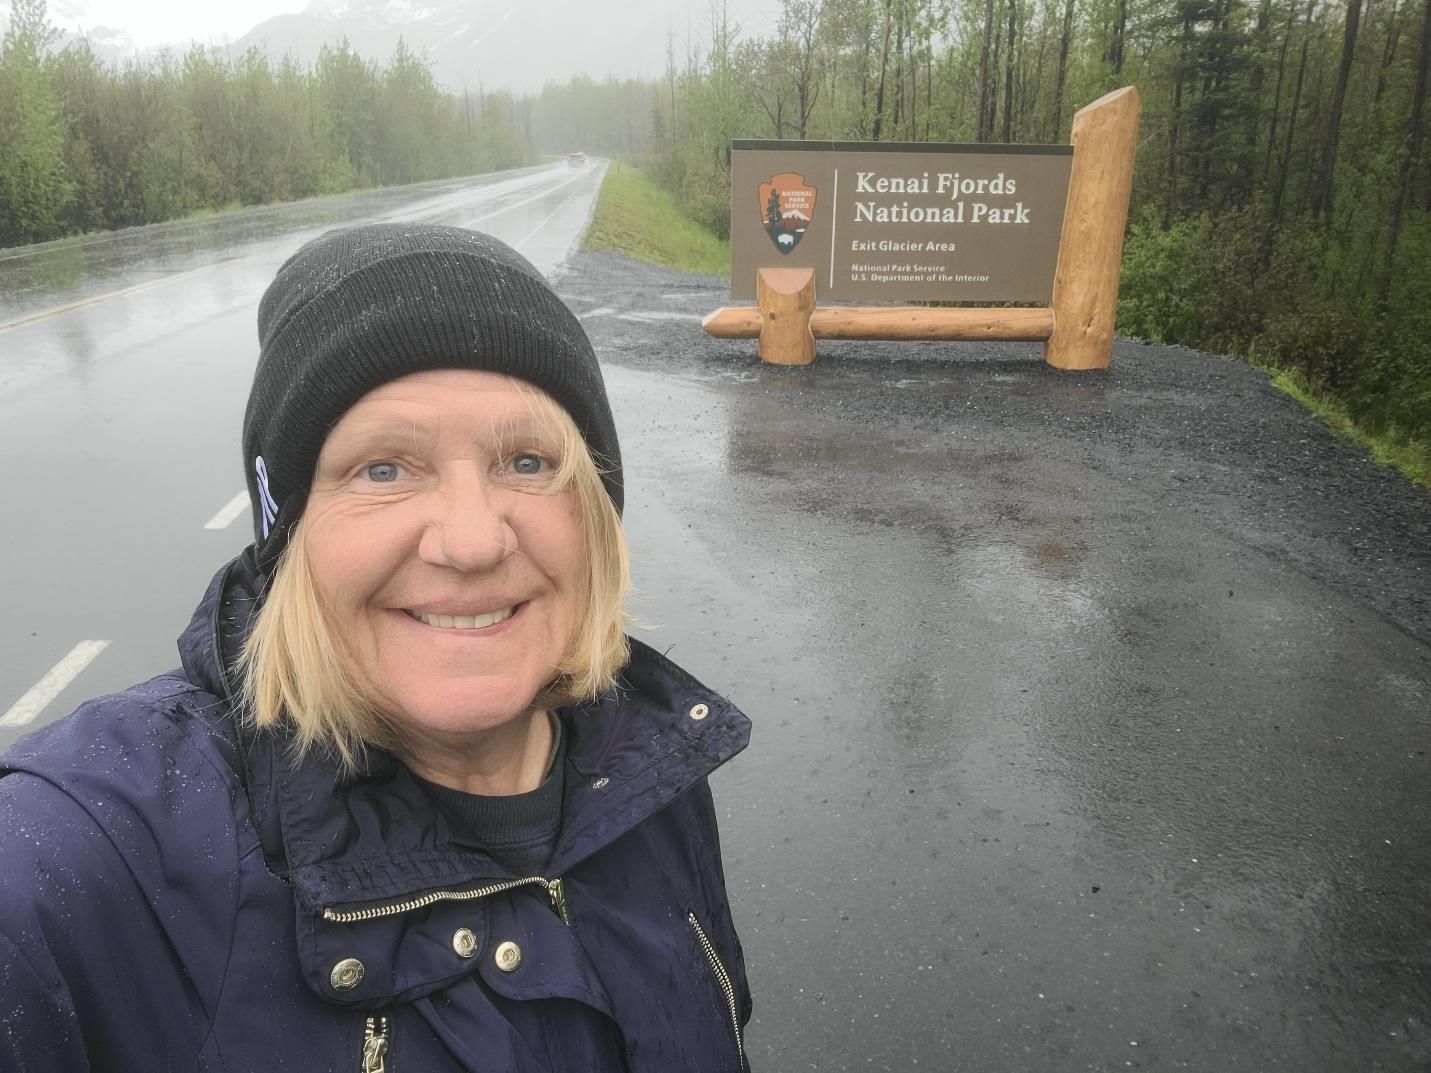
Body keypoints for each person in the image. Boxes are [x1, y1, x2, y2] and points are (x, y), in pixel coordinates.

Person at [0, 224, 753, 1072]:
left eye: (529, 460)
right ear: (289, 538)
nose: (471, 540)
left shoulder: (651, 774)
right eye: (384, 469)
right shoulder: (89, 858)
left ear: (593, 517)